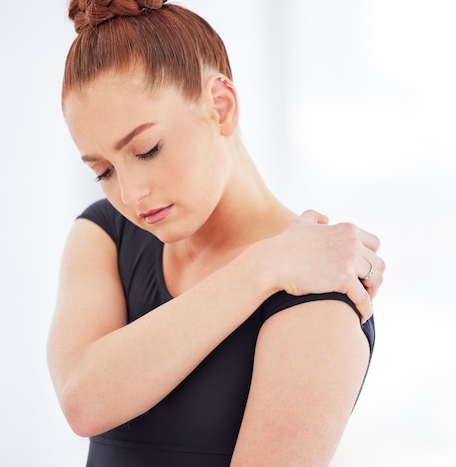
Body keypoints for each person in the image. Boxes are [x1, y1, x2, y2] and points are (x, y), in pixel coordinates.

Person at [47, 1, 384, 465]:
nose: (131, 194)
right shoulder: (103, 234)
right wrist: (262, 266)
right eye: (103, 170)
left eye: (146, 150)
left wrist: (272, 269)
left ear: (221, 107)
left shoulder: (319, 297)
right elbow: (83, 401)